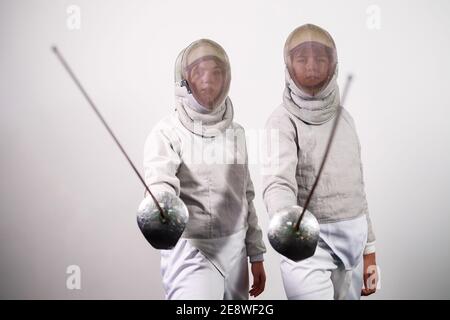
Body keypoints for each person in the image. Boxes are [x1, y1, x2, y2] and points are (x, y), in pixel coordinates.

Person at [142, 39, 266, 300]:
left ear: (226, 79)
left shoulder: (236, 133)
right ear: (184, 80)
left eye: (216, 72)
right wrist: (160, 204)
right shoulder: (166, 133)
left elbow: (246, 196)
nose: (208, 80)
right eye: (199, 72)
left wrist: (255, 253)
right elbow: (159, 182)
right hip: (193, 253)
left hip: (237, 252)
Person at [262, 24, 378, 300]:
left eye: (320, 59)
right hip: (307, 245)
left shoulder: (345, 119)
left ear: (333, 64)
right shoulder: (282, 122)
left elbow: (357, 187)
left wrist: (369, 250)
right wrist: (286, 222)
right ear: (289, 66)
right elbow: (277, 182)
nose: (312, 67)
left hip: (352, 246)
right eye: (302, 60)